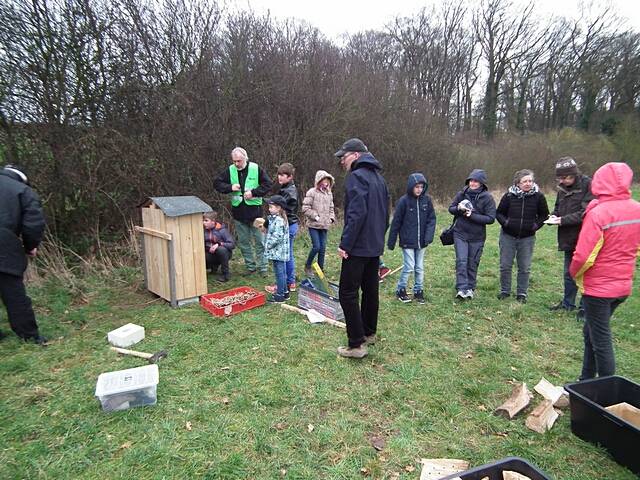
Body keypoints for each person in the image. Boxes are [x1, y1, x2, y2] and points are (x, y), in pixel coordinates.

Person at [569, 162, 640, 380]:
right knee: (589, 332)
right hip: (623, 286)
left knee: (600, 339)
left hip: (599, 289)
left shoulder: (598, 213)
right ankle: (586, 381)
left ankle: (607, 388)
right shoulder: (636, 209)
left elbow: (583, 255)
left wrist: (574, 273)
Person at [334, 138, 389, 359]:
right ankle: (369, 332)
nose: (341, 161)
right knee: (370, 289)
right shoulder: (379, 179)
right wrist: (378, 240)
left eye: (344, 156)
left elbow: (356, 214)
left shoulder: (356, 177)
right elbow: (386, 216)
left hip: (357, 247)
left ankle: (356, 344)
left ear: (356, 155)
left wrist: (345, 244)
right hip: (374, 245)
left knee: (347, 292)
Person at [0, 165, 47, 344]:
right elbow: (33, 223)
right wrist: (30, 246)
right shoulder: (22, 190)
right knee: (14, 294)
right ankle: (29, 336)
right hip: (4, 247)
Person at [546, 157, 594, 318]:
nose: (563, 180)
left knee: (585, 273)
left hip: (585, 238)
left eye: (566, 177)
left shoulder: (588, 185)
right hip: (568, 237)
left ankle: (584, 308)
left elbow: (587, 212)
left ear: (574, 174)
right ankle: (568, 303)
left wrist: (562, 220)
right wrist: (553, 217)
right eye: (560, 178)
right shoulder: (561, 188)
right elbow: (558, 208)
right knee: (569, 272)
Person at [214, 147, 272, 276]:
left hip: (256, 213)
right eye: (234, 161)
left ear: (245, 158)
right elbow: (217, 184)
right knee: (244, 243)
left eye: (239, 161)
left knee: (260, 242)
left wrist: (254, 193)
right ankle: (250, 267)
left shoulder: (256, 169)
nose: (236, 164)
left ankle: (263, 268)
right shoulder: (230, 170)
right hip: (238, 214)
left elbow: (268, 184)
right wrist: (230, 187)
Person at [495, 169, 549, 303]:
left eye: (530, 181)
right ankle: (505, 291)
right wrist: (506, 223)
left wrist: (535, 226)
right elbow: (499, 213)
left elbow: (544, 215)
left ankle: (521, 293)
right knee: (505, 265)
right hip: (508, 236)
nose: (528, 183)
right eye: (525, 181)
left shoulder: (539, 197)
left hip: (527, 237)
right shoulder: (508, 196)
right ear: (518, 183)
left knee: (524, 267)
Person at [386, 173, 436, 304]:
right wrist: (391, 242)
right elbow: (396, 222)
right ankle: (401, 289)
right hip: (407, 241)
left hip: (422, 242)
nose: (419, 189)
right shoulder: (404, 201)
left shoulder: (427, 201)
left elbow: (432, 219)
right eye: (417, 187)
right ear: (411, 187)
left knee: (419, 267)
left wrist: (428, 236)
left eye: (421, 187)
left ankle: (418, 291)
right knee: (409, 266)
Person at [448, 169, 496, 299]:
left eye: (476, 181)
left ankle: (470, 288)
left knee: (472, 263)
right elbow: (451, 209)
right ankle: (461, 288)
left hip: (477, 237)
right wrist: (458, 209)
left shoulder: (488, 198)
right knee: (461, 261)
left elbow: (491, 218)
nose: (473, 183)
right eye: (471, 180)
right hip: (460, 234)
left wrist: (472, 215)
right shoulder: (461, 194)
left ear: (482, 183)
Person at [266, 163, 299, 292]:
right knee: (288, 253)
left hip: (288, 225)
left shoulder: (289, 191)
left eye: (283, 175)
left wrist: (270, 222)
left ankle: (284, 284)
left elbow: (284, 210)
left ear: (290, 177)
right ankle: (290, 282)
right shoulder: (286, 188)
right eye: (278, 174)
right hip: (290, 224)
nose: (279, 177)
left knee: (284, 255)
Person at [301, 170, 335, 276]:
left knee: (323, 248)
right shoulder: (312, 192)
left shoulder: (329, 194)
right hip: (313, 225)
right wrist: (315, 216)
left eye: (328, 181)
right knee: (316, 246)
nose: (326, 183)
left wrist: (331, 218)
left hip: (324, 225)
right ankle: (308, 266)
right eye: (324, 181)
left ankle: (320, 270)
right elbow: (305, 208)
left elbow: (331, 208)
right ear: (319, 181)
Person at [263, 195, 290, 303]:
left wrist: (268, 245)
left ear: (279, 208)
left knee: (279, 273)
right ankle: (285, 292)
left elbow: (277, 237)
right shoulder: (276, 219)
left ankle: (279, 295)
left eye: (271, 207)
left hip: (278, 252)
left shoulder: (278, 220)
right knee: (282, 272)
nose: (269, 209)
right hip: (279, 252)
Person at [203, 211, 235, 282]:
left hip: (224, 254)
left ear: (213, 221)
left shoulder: (222, 230)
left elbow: (232, 244)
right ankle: (212, 267)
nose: (204, 223)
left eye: (206, 221)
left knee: (221, 250)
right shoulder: (203, 230)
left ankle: (225, 275)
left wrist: (219, 244)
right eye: (203, 221)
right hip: (209, 254)